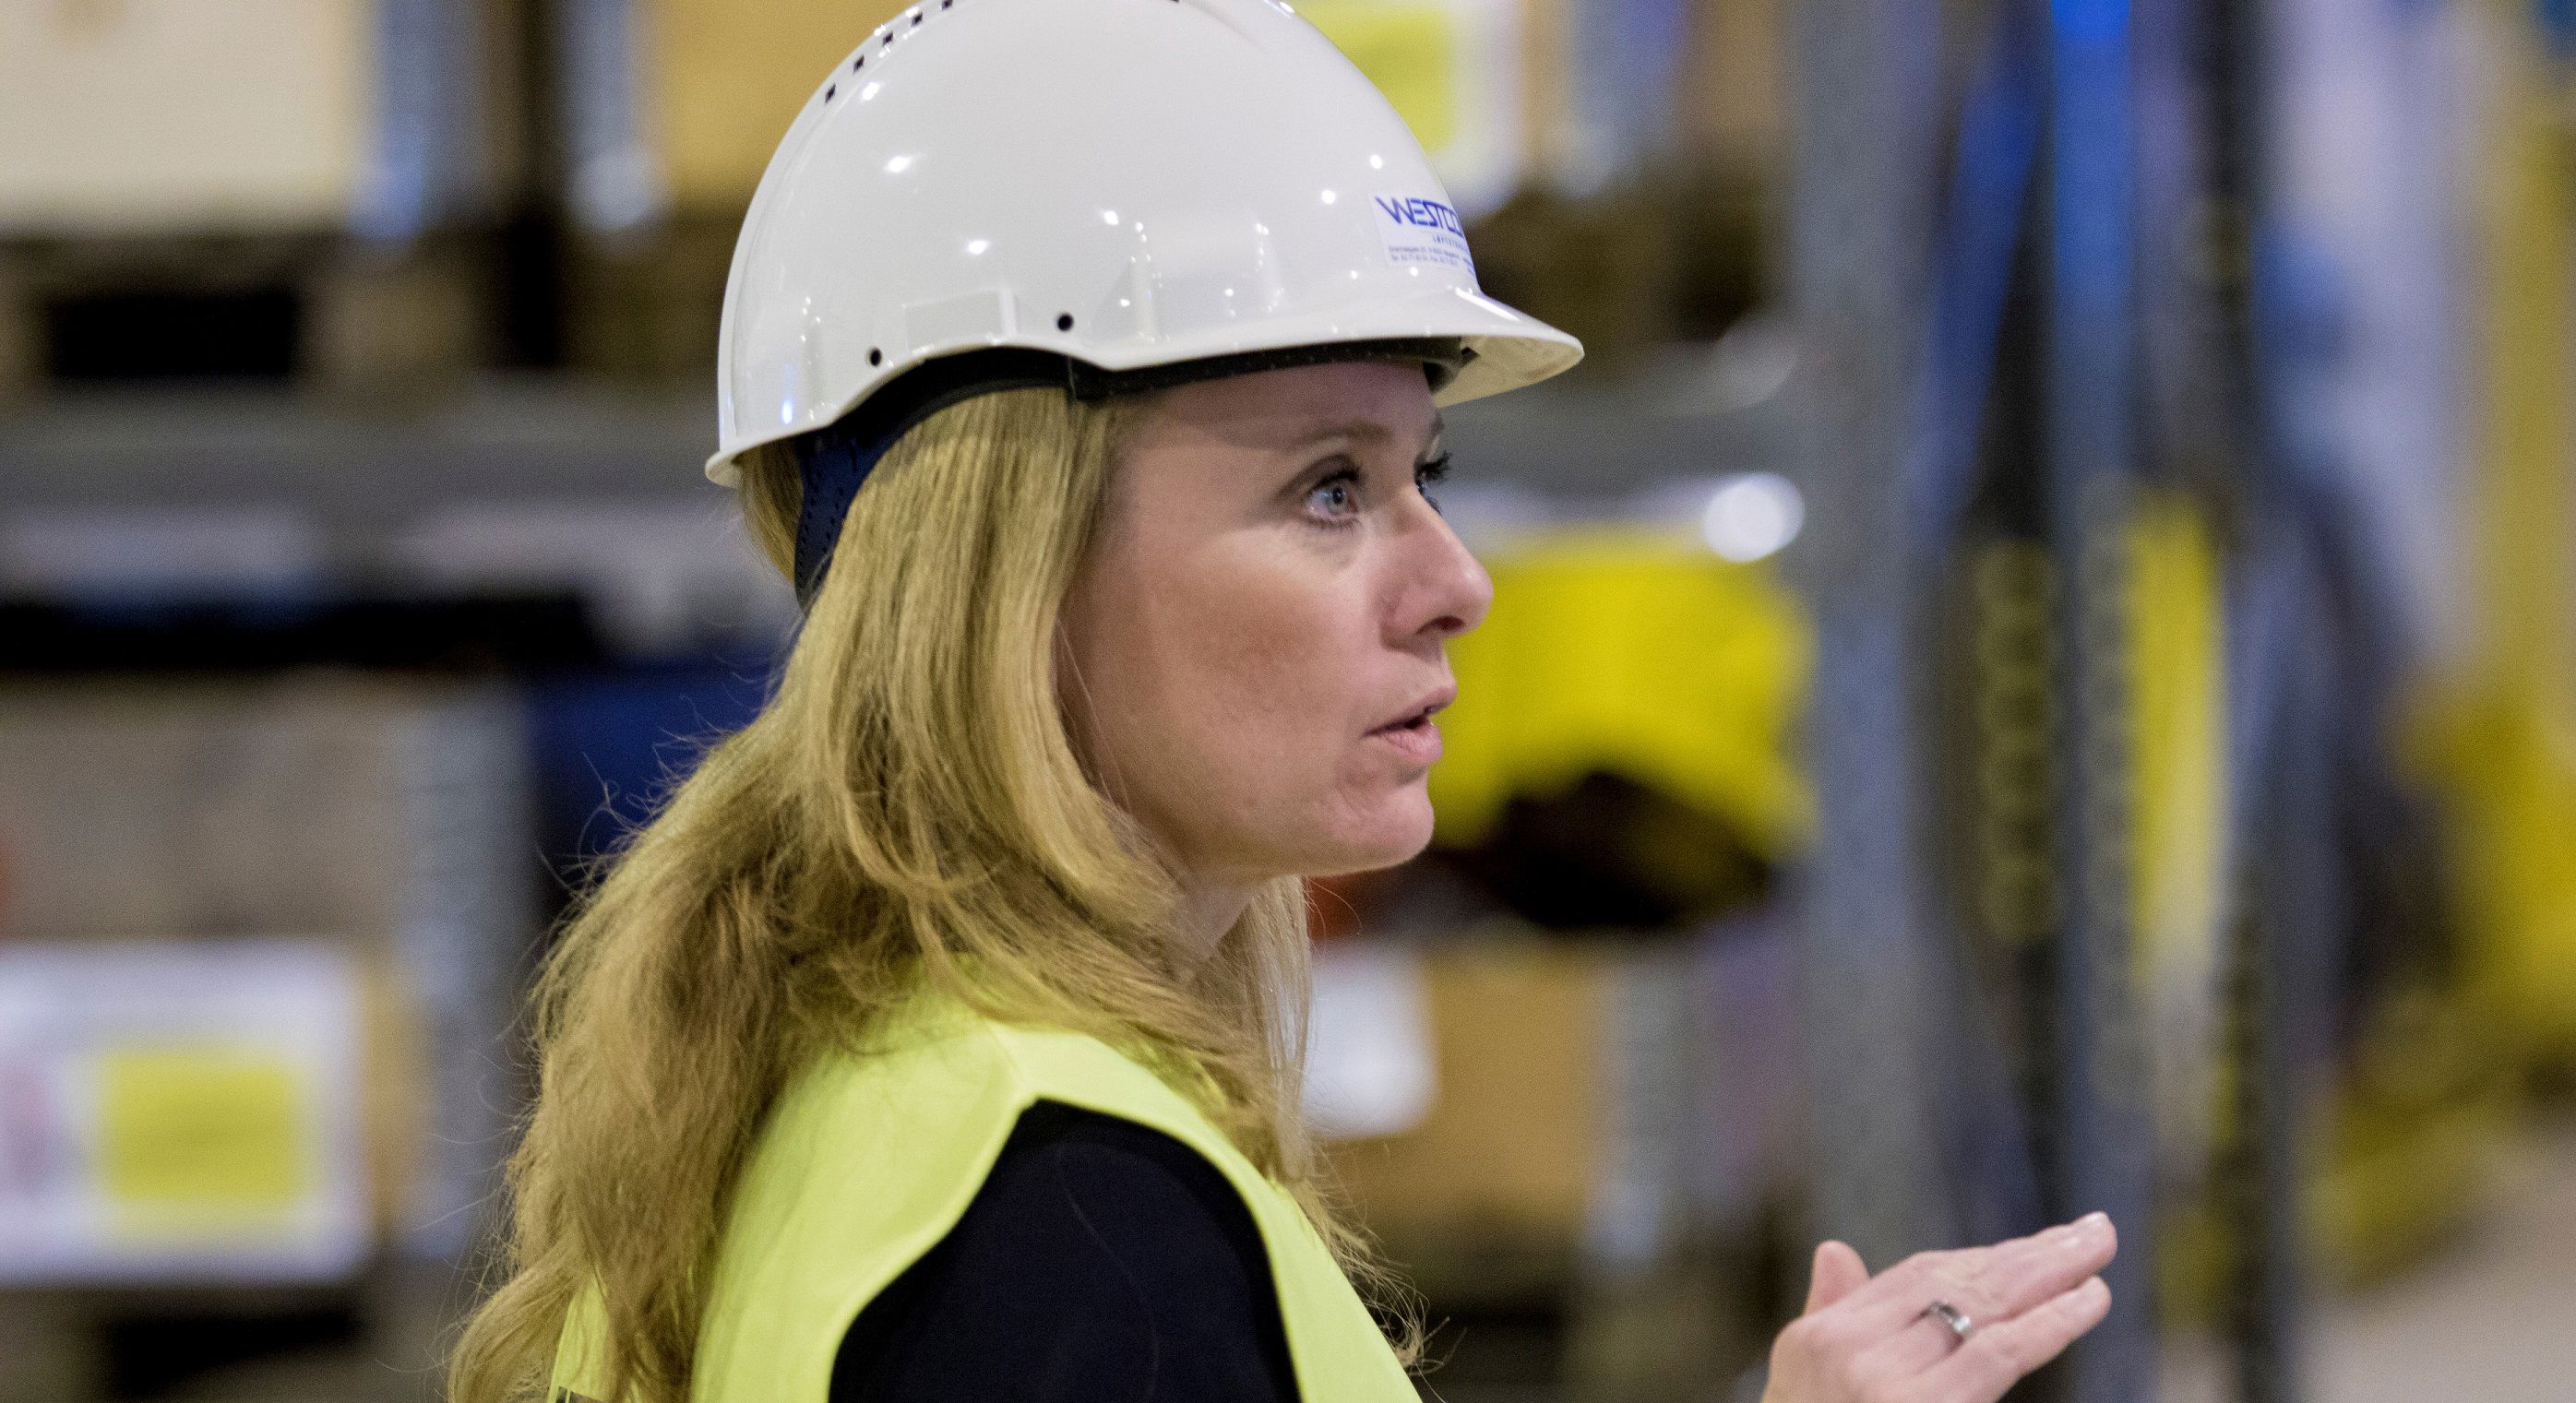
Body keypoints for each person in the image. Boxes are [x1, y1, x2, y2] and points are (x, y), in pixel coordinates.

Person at [446, 2, 2117, 1401]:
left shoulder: (840, 1111)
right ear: (1010, 573)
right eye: (1329, 487)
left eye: (1422, 471)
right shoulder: (1073, 1233)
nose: (1453, 576)